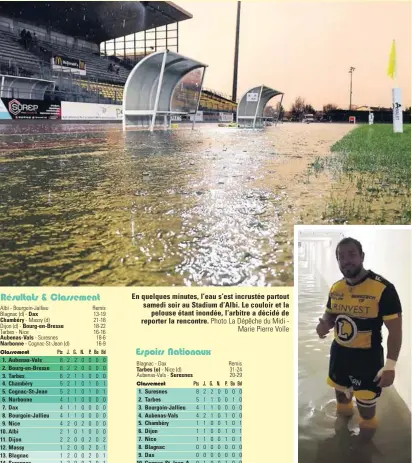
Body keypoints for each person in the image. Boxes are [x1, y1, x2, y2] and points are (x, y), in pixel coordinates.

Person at [316, 237, 402, 439]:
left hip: (367, 360)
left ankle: (363, 450)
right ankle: (341, 438)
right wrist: (324, 324)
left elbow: (396, 330)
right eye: (341, 257)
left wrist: (390, 366)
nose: (347, 261)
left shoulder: (383, 289)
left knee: (366, 412)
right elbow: (331, 314)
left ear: (362, 256)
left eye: (352, 254)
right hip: (339, 354)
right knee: (341, 399)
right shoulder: (336, 288)